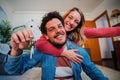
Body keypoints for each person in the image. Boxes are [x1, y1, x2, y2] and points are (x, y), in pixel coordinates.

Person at [4, 11, 108, 80]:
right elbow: (13, 70)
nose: (58, 31)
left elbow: (94, 73)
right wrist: (15, 50)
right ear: (46, 36)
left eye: (60, 26)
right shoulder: (41, 50)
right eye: (51, 29)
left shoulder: (79, 52)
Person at [36, 7, 120, 63]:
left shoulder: (80, 32)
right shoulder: (54, 28)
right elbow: (39, 44)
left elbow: (102, 31)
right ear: (65, 17)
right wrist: (63, 52)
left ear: (78, 25)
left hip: (70, 65)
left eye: (76, 21)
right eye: (70, 17)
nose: (72, 22)